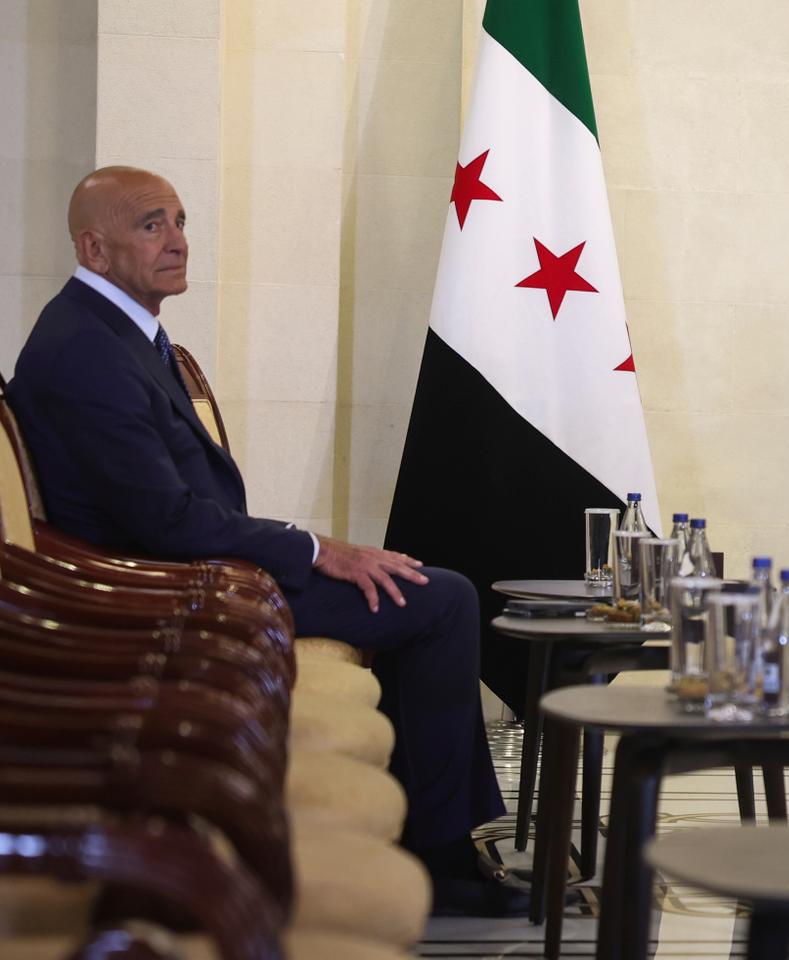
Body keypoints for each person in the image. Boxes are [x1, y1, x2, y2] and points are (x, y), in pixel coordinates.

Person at [7, 166, 522, 916]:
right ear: (94, 249)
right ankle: (442, 857)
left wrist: (303, 548)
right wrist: (314, 549)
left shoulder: (113, 332)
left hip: (204, 574)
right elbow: (164, 521)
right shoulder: (85, 349)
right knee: (438, 599)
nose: (179, 241)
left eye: (181, 221)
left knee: (422, 590)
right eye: (152, 225)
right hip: (169, 596)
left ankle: (431, 835)